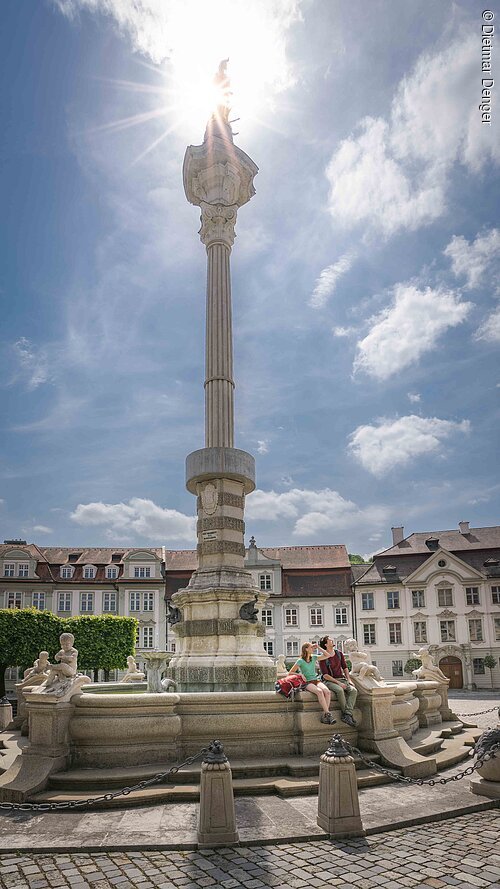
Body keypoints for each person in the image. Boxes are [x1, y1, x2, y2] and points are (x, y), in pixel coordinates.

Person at [288, 642, 335, 724]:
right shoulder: (300, 661)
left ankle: (325, 714)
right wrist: (300, 674)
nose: (313, 649)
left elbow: (328, 655)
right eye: (311, 647)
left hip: (315, 680)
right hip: (307, 682)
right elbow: (290, 673)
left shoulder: (313, 657)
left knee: (327, 692)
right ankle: (328, 714)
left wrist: (319, 647)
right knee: (319, 692)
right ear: (306, 649)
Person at [318, 636, 357, 727]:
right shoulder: (323, 658)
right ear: (326, 644)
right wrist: (338, 683)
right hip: (329, 681)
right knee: (339, 690)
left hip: (341, 679)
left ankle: (347, 714)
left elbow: (345, 667)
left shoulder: (339, 653)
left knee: (353, 690)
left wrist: (349, 679)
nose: (332, 640)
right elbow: (325, 675)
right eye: (330, 640)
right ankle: (346, 714)